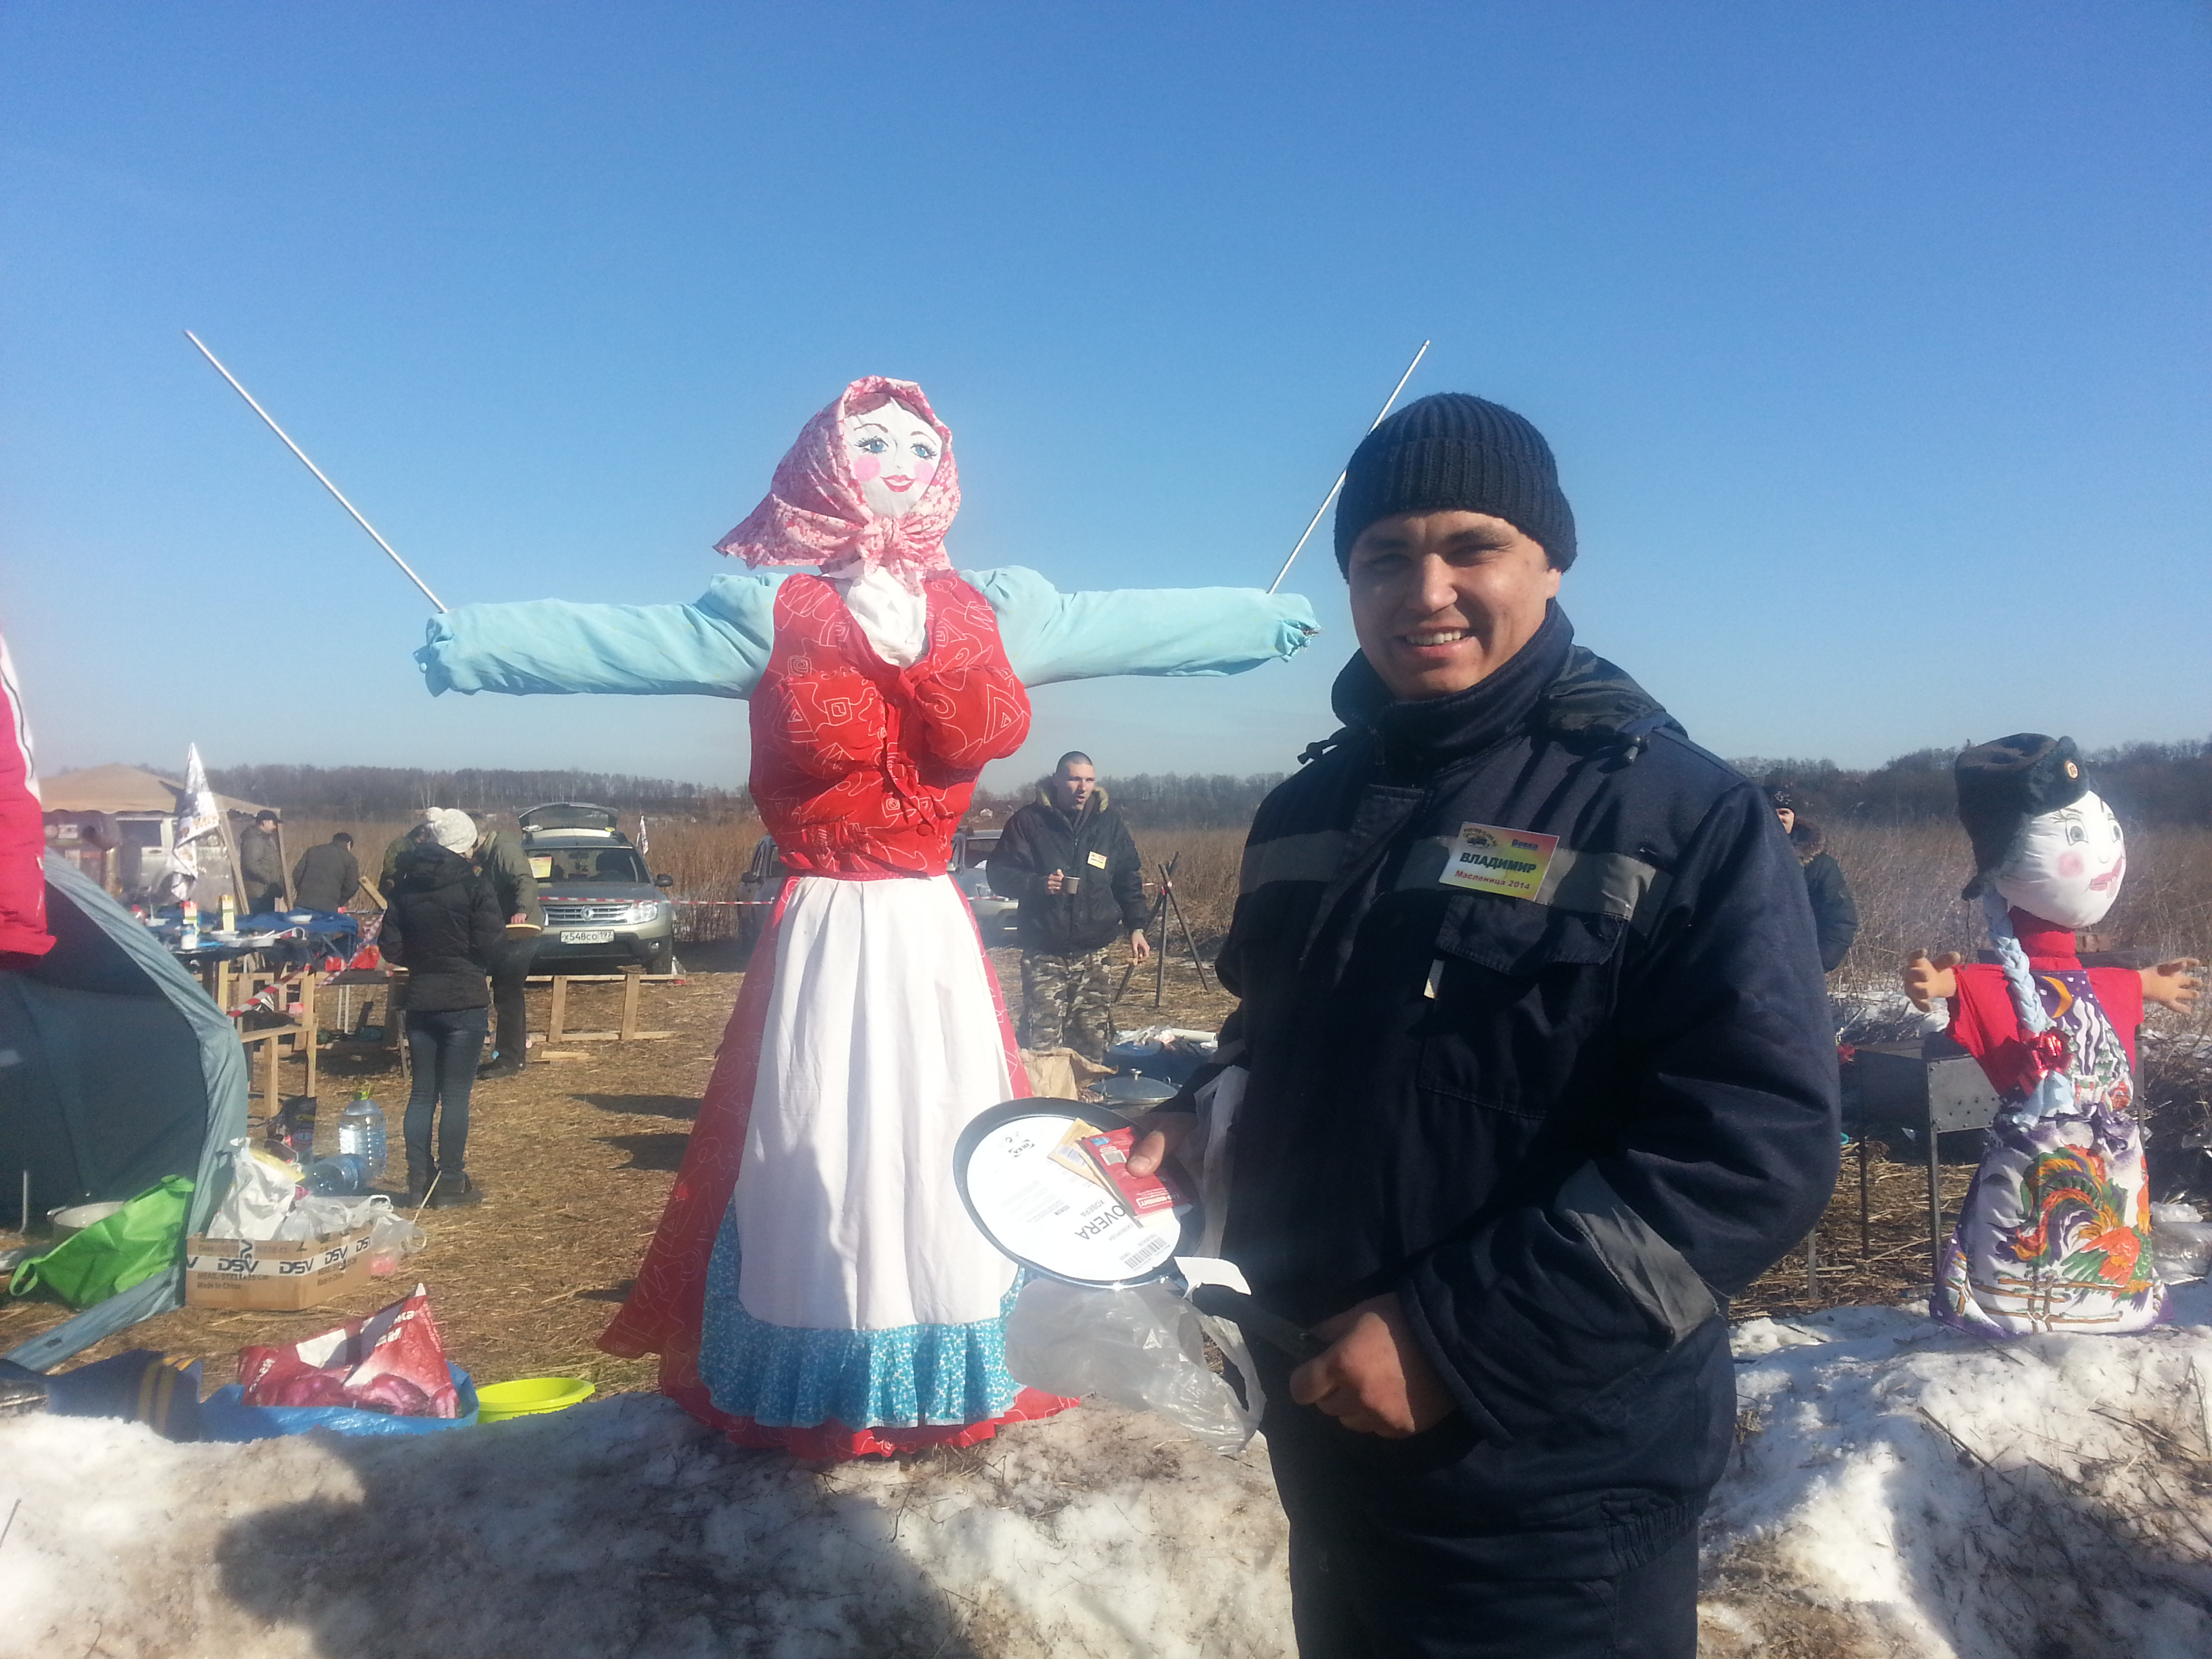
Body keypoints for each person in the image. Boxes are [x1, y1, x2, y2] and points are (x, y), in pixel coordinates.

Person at [412, 375, 1318, 1459]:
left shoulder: (994, 610)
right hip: (825, 929)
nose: (899, 465)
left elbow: (1124, 625)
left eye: (921, 448)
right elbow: (621, 642)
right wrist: (476, 642)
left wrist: (1254, 622)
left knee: (947, 1126)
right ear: (825, 466)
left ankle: (956, 1362)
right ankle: (831, 1369)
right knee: (816, 1138)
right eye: (873, 445)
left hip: (931, 929)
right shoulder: (771, 611)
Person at [1128, 393, 1840, 1658]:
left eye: (1472, 547)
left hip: (1549, 1483)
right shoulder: (1303, 811)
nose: (1426, 591)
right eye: (1383, 557)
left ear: (1549, 562)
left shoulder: (1676, 815)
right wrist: (1201, 1120)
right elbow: (1276, 1035)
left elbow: (1751, 1148)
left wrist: (1454, 1340)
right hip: (1326, 1429)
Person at [1902, 736, 2200, 1336]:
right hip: (2041, 1158)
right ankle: (2021, 1304)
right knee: (2033, 1220)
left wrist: (2149, 984)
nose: (2106, 858)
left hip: (2110, 1153)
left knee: (2109, 1219)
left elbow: (2109, 985)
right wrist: (1940, 983)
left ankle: (2103, 1300)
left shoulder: (2090, 979)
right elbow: (1978, 986)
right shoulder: (1997, 982)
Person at [990, 750, 1151, 1061]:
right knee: (1042, 1043)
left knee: (1092, 1039)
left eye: (1089, 780)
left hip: (1094, 953)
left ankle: (1088, 1088)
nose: (1083, 788)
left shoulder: (1108, 823)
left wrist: (1137, 926)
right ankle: (1045, 1089)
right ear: (1056, 780)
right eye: (1075, 779)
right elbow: (999, 874)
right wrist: (1038, 884)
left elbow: (1127, 878)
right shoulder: (1029, 822)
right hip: (1045, 952)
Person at [380, 807, 504, 1208]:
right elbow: (490, 943)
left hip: (421, 999)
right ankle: (450, 1180)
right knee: (454, 1097)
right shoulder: (475, 886)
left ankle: (418, 1179)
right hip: (464, 999)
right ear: (466, 845)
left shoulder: (404, 887)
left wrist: (422, 959)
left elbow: (391, 947)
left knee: (421, 1094)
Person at [469, 817, 543, 1080]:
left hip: (521, 930)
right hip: (506, 930)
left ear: (477, 837)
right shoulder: (489, 854)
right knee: (506, 994)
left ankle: (509, 1059)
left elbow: (525, 880)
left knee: (507, 994)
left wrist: (522, 910)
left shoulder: (504, 850)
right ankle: (511, 1056)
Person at [1766, 785, 1858, 972]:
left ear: (1794, 817)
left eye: (1784, 812)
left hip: (1793, 974)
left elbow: (1841, 921)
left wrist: (1813, 967)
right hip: (1734, 975)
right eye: (1771, 811)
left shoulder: (1819, 866)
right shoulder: (1733, 857)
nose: (1778, 817)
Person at [291, 832, 361, 914]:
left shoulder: (312, 851)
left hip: (303, 903)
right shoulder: (350, 859)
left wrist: (303, 893)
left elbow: (297, 874)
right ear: (348, 844)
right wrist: (337, 901)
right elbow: (352, 887)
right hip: (328, 908)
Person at [237, 809, 286, 914]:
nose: (275, 827)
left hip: (266, 891)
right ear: (264, 822)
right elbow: (251, 864)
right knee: (260, 921)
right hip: (258, 893)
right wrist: (270, 879)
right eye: (273, 823)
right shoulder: (254, 840)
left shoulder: (266, 839)